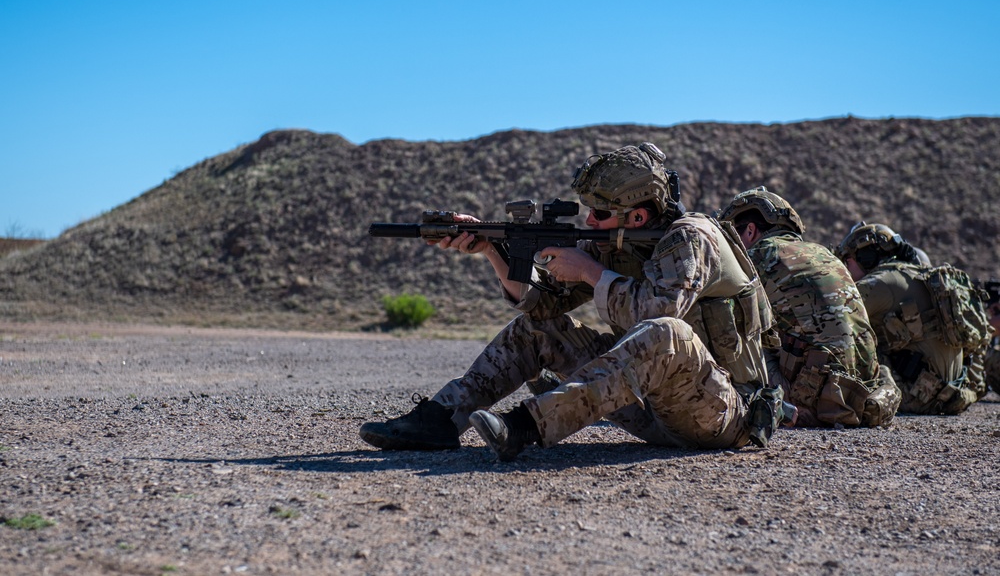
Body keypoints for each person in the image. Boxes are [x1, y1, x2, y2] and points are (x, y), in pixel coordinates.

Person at [360, 142, 781, 460]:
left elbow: (658, 315)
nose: (589, 222)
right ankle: (439, 419)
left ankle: (524, 427)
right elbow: (541, 307)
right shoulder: (616, 242)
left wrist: (588, 270)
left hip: (722, 413)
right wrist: (492, 249)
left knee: (666, 332)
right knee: (539, 331)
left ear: (637, 217)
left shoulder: (692, 237)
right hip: (653, 409)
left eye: (598, 213)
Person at [717, 188, 900, 428]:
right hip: (865, 393)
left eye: (733, 236)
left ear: (750, 230)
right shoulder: (824, 254)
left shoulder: (760, 254)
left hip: (815, 401)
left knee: (719, 320)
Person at [834, 222, 987, 415]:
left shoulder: (880, 282)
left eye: (847, 261)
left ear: (867, 257)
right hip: (953, 396)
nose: (845, 269)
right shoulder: (921, 275)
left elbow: (831, 316)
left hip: (914, 397)